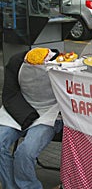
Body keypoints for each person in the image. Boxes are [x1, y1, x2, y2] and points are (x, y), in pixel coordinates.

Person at [0, 48, 63, 189]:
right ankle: (10, 186)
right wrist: (28, 116)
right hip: (19, 109)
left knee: (25, 151)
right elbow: (10, 95)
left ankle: (29, 186)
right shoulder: (16, 62)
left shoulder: (62, 64)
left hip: (49, 113)